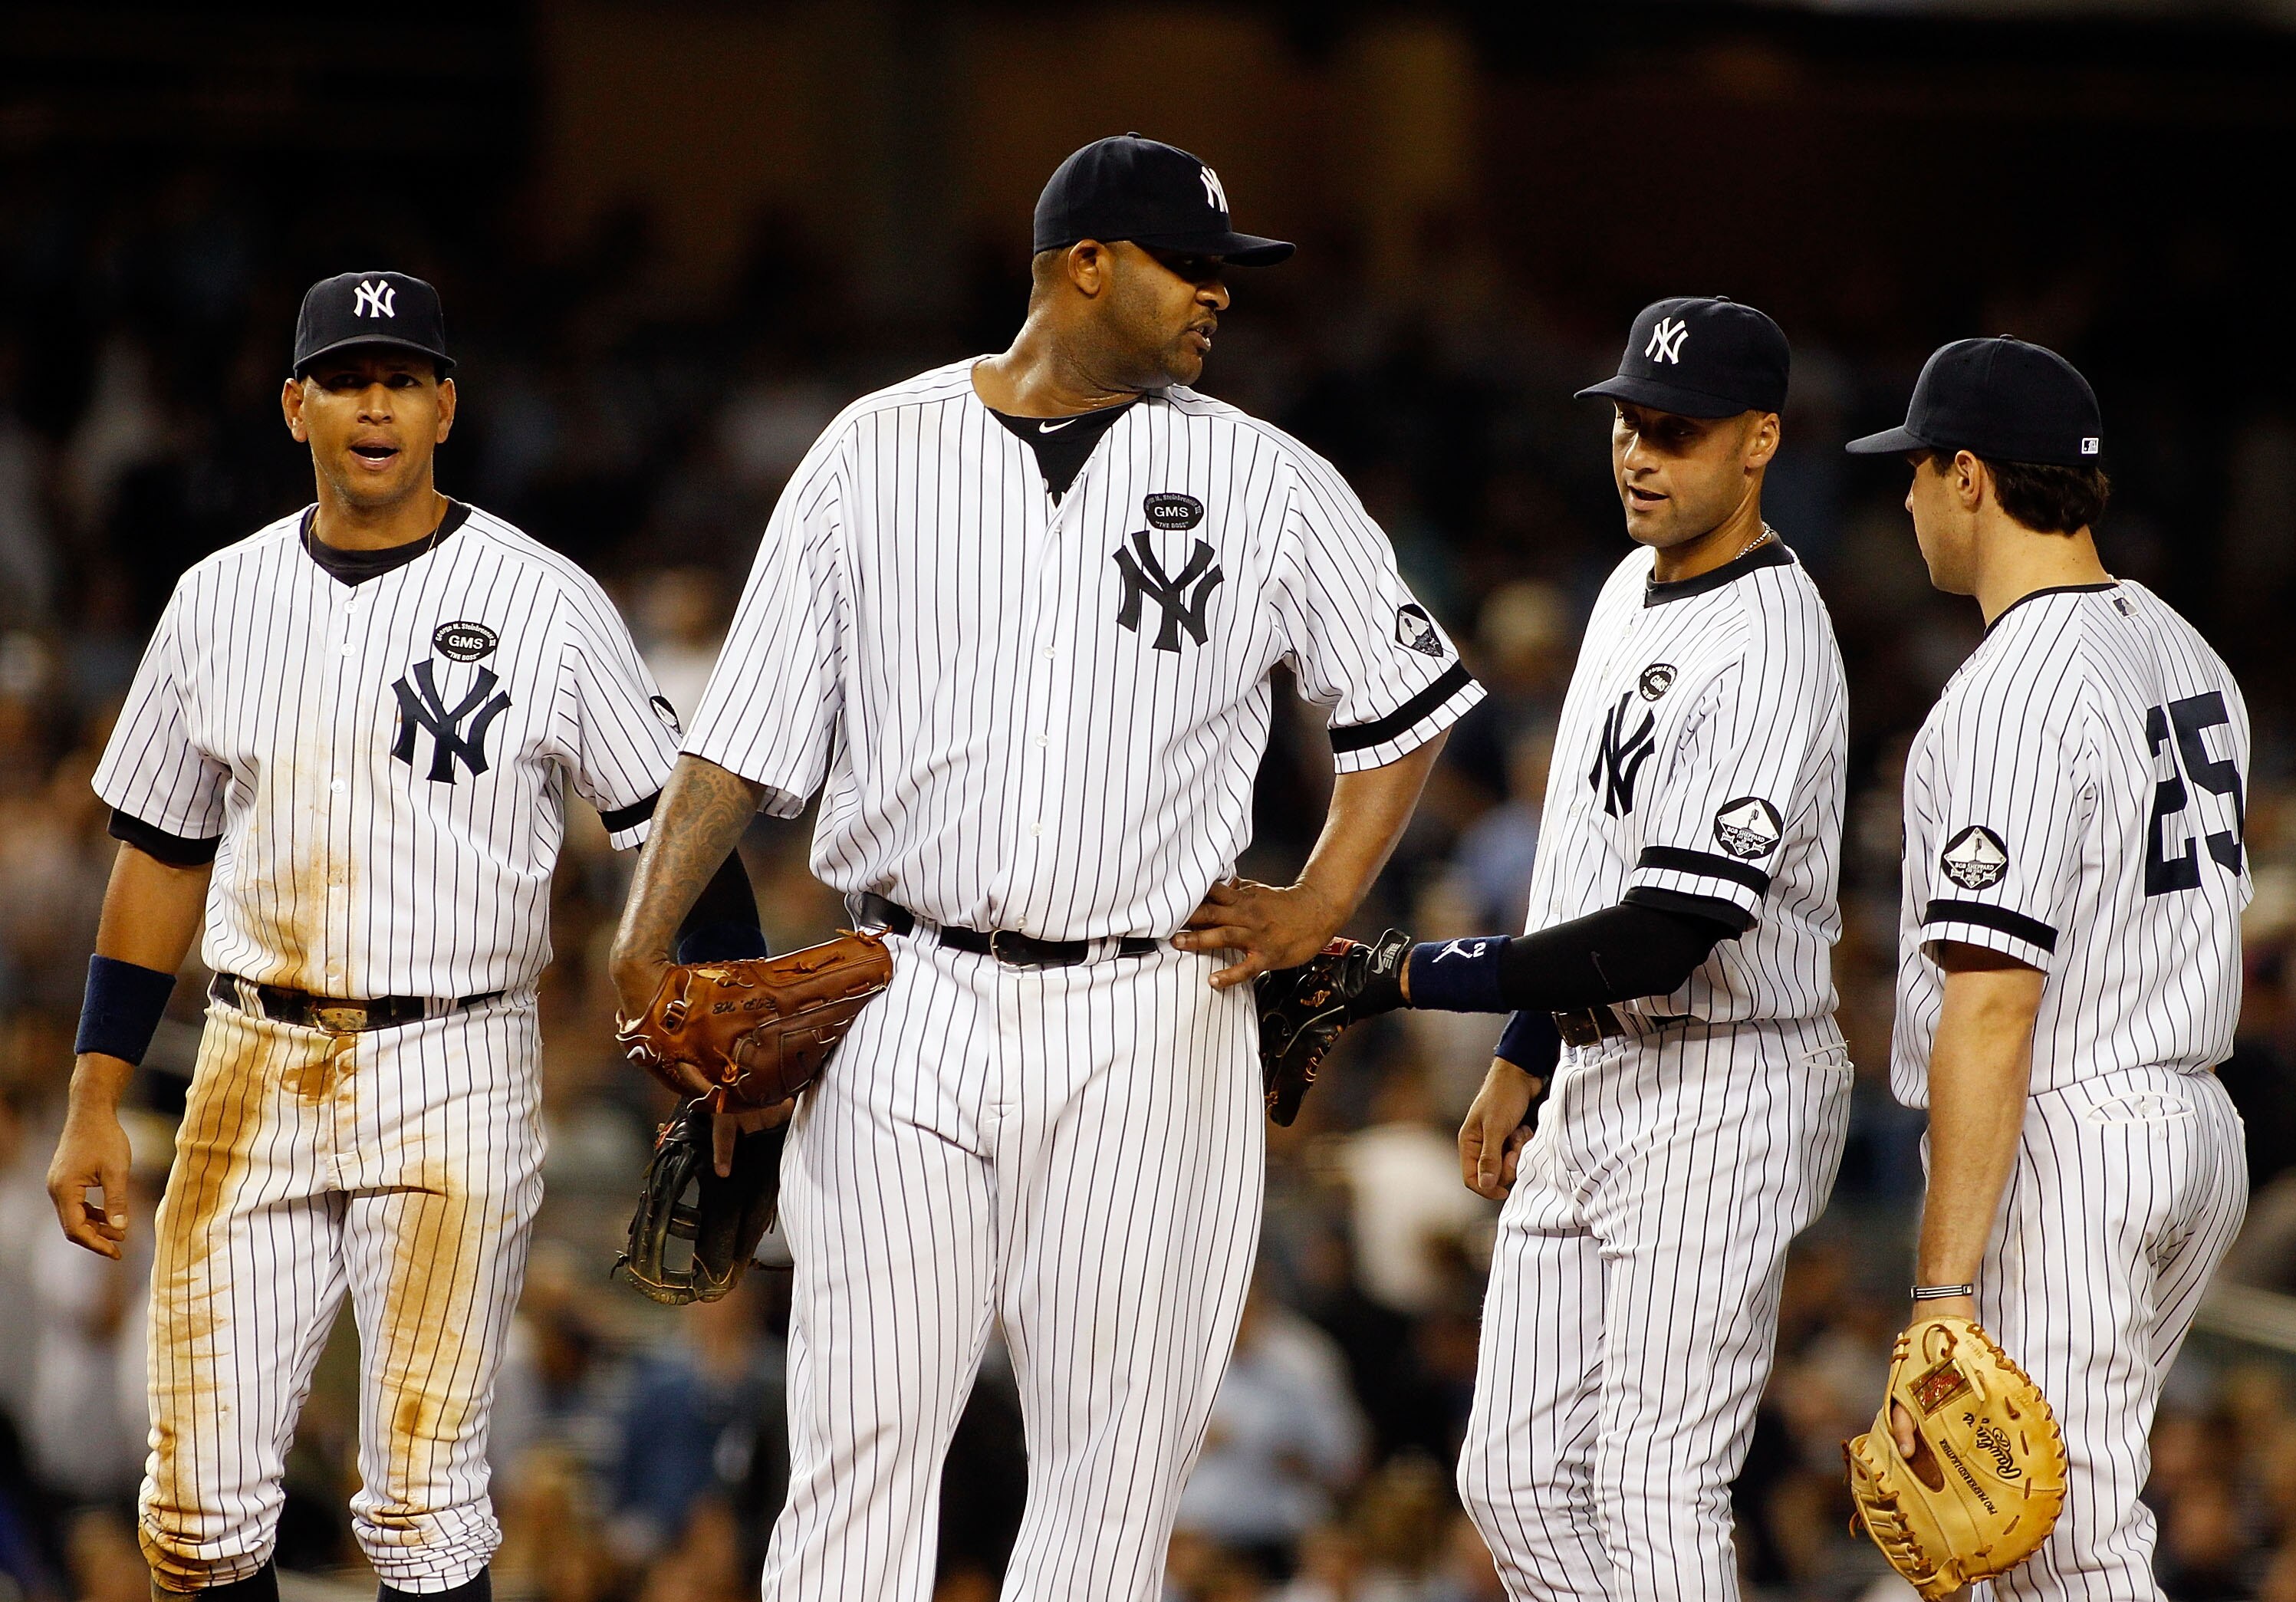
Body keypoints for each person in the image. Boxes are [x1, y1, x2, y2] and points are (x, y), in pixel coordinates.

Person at [607, 133, 1482, 1602]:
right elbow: (738, 735)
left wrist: (1324, 899)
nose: (1219, 296)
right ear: (1084, 267)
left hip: (1147, 1011)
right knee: (858, 1435)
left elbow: (1405, 705)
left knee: (1112, 1463)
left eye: (1225, 273)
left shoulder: (1265, 476)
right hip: (906, 993)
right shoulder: (871, 451)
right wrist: (644, 940)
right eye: (1189, 267)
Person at [42, 271, 756, 1599]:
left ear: (444, 406)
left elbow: (672, 830)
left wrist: (736, 1076)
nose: (377, 402)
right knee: (192, 1523)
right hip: (249, 1060)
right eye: (350, 378)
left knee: (422, 1511)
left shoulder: (544, 601)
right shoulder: (216, 598)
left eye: (405, 377)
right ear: (295, 404)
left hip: (454, 1066)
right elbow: (158, 858)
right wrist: (93, 1091)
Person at [1325, 297, 1851, 1597]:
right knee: (1507, 1475)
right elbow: (1583, 867)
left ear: (1757, 443)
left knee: (1656, 1480)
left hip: (1729, 1080)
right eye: (1627, 422)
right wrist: (1523, 1050)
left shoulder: (1773, 642)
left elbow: (1673, 928)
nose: (1639, 453)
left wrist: (1410, 976)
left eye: (1675, 430)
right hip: (1602, 1064)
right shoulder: (1624, 586)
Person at [1847, 337, 2249, 1597]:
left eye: (1915, 470)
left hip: (2072, 1135)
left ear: (1970, 477)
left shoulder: (2010, 690)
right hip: (2190, 1120)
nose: (1905, 498)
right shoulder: (2185, 647)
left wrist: (1942, 1290)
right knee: (2055, 1526)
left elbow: (1994, 1004)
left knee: (2057, 1547)